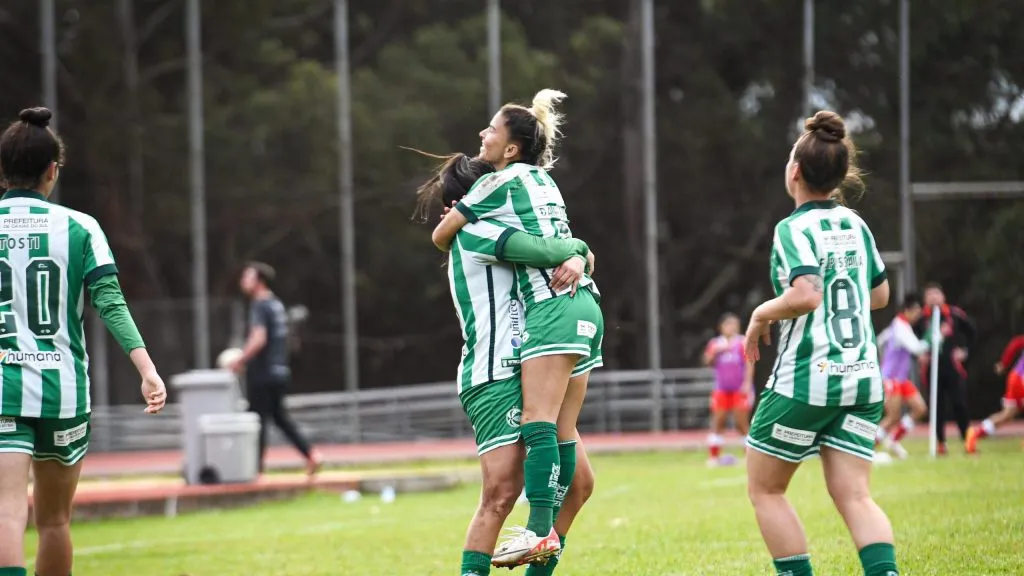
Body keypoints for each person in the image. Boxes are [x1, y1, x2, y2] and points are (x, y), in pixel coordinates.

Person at [431, 90, 604, 569]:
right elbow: (548, 248)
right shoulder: (476, 231)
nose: (483, 135)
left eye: (491, 129)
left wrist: (576, 253)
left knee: (580, 484)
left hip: (527, 354)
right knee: (501, 493)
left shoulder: (499, 206)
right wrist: (577, 249)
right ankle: (530, 538)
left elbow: (550, 244)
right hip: (492, 370)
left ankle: (539, 540)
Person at [0, 107, 167, 576]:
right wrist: (147, 371)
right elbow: (111, 304)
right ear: (52, 170)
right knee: (54, 521)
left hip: (2, 389)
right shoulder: (80, 227)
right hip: (62, 392)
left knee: (6, 513)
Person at [743, 111, 899, 576]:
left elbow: (806, 295)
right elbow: (880, 295)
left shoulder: (792, 229)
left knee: (765, 490)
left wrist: (760, 313)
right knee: (855, 494)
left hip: (807, 382)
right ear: (839, 175)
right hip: (862, 380)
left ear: (794, 171)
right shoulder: (856, 223)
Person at [227, 262, 322, 476]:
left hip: (262, 373)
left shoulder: (259, 305)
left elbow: (259, 338)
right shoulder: (276, 304)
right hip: (279, 371)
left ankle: (255, 469)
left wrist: (239, 360)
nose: (243, 281)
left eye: (247, 277)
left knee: (256, 420)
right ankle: (311, 454)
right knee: (279, 417)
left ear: (260, 281)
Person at [913, 283, 974, 455]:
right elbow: (911, 342)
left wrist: (965, 351)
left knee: (960, 404)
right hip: (931, 369)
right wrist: (918, 355)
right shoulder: (921, 319)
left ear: (943, 296)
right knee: (936, 407)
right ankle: (940, 442)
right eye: (929, 294)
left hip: (952, 368)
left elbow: (972, 332)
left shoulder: (953, 314)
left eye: (936, 294)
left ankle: (968, 440)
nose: (933, 298)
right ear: (925, 299)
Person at [874, 294, 932, 459]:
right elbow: (917, 348)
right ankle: (868, 447)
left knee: (920, 408)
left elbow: (880, 341)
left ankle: (893, 439)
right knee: (893, 417)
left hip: (902, 379)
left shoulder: (899, 325)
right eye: (917, 312)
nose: (918, 316)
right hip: (891, 379)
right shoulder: (901, 327)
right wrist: (931, 339)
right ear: (909, 310)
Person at [702, 312, 752, 466]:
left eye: (734, 325)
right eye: (729, 325)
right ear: (721, 327)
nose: (732, 328)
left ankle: (749, 457)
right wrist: (717, 351)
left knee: (741, 423)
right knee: (718, 421)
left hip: (738, 388)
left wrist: (747, 383)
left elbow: (750, 363)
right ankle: (714, 457)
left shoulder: (742, 342)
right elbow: (707, 361)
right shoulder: (716, 344)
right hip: (721, 389)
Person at [965, 333, 1024, 453]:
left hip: (1015, 376)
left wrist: (1004, 363)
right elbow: (1016, 343)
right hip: (1021, 378)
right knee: (1008, 414)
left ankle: (975, 434)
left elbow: (1016, 343)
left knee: (1007, 415)